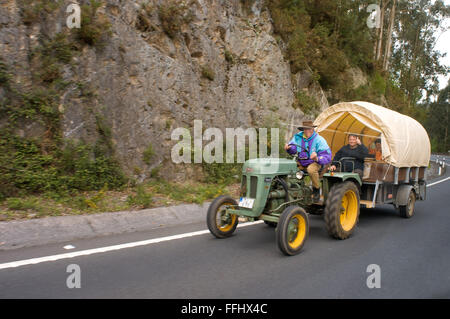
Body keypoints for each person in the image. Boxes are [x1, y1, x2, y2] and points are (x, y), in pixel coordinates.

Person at [285, 120, 332, 202]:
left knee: (311, 170)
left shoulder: (319, 140)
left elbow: (327, 156)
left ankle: (316, 188)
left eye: (309, 129)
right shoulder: (297, 137)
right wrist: (289, 148)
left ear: (313, 129)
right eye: (305, 129)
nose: (307, 131)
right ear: (303, 130)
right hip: (301, 161)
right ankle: (291, 189)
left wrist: (317, 158)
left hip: (315, 162)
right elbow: (293, 148)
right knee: (288, 167)